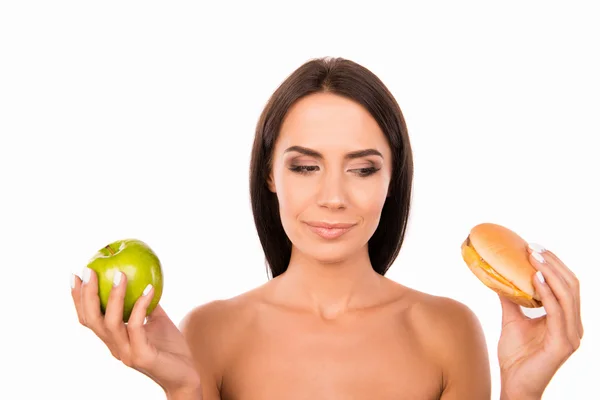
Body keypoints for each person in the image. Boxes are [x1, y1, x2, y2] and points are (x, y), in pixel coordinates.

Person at [71, 57, 583, 400]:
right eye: (304, 167)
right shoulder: (211, 331)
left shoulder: (447, 330)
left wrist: (522, 392)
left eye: (362, 169)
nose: (333, 197)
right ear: (270, 174)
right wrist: (182, 389)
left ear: (392, 180)